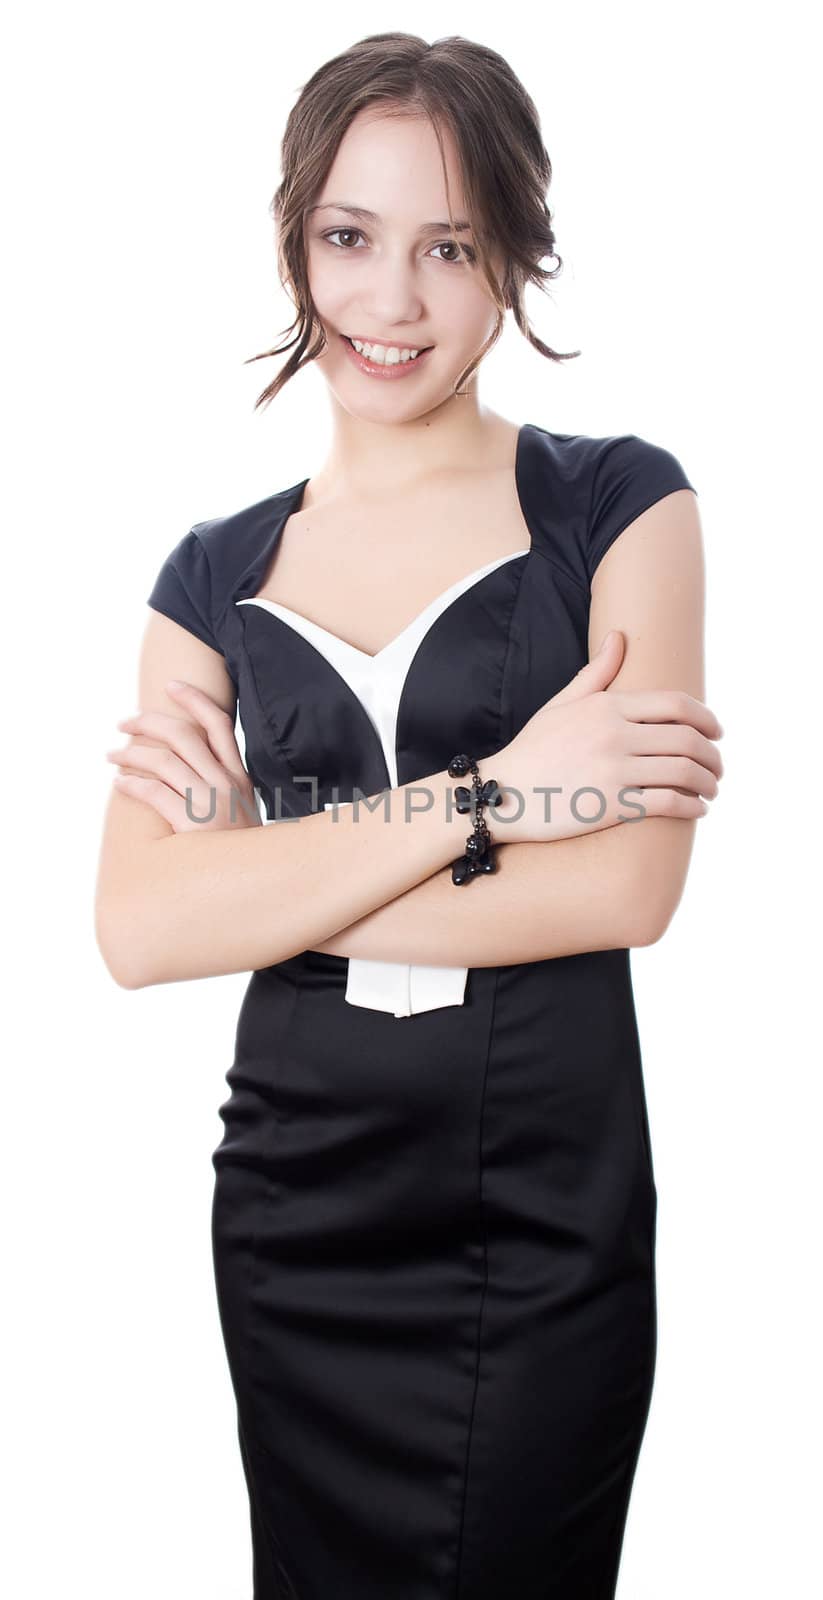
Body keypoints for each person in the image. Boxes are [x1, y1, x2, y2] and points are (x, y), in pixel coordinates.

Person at [95, 31, 724, 1600]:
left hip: (540, 1205)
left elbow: (628, 889)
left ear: (514, 248)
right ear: (297, 240)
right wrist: (507, 793)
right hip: (301, 1205)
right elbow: (133, 930)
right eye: (348, 239)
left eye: (449, 245)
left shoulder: (618, 505)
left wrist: (264, 878)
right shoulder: (211, 578)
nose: (391, 301)